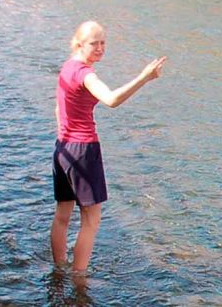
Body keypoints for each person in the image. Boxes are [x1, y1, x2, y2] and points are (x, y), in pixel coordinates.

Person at [50, 21, 166, 275]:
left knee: (63, 215)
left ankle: (59, 270)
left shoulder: (67, 68)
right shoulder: (85, 74)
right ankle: (79, 282)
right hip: (83, 150)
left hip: (63, 149)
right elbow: (112, 99)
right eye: (94, 43)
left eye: (103, 42)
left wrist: (64, 138)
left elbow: (59, 109)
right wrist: (144, 77)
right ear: (79, 44)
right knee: (91, 221)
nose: (101, 48)